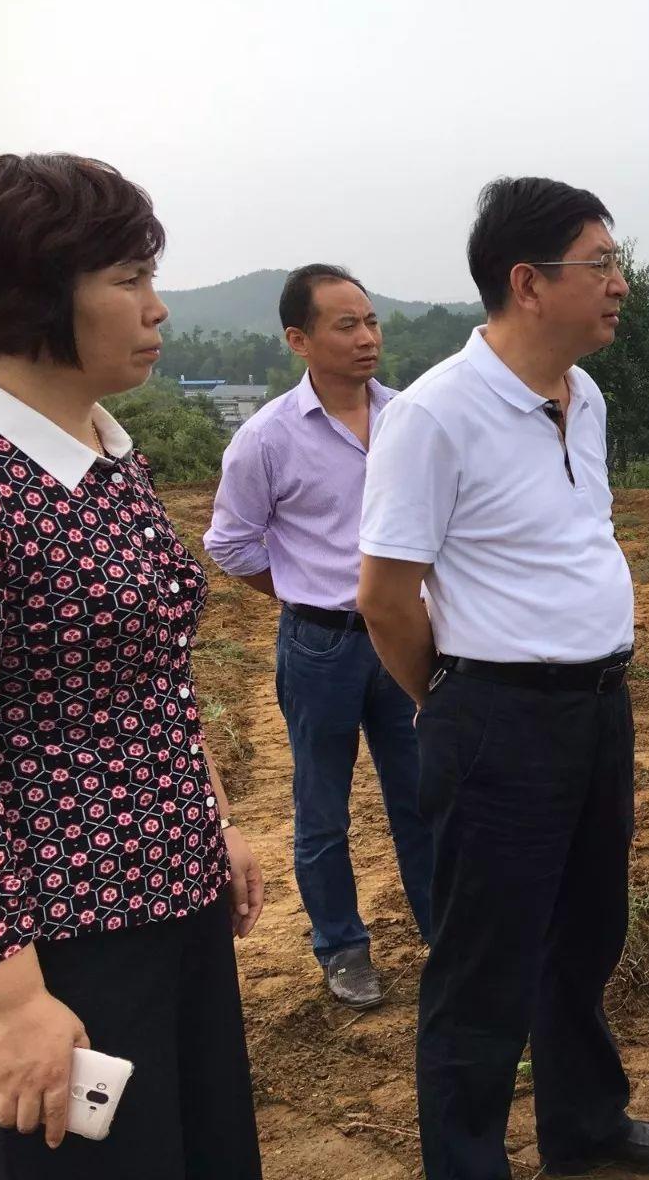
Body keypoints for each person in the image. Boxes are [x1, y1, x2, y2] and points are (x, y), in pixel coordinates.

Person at [357, 176, 649, 1180]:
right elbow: (385, 597)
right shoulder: (435, 414)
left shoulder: (583, 397)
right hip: (497, 721)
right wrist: (452, 701)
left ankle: (583, 1125)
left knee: (586, 934)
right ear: (528, 282)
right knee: (483, 967)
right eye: (601, 264)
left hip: (597, 709)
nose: (620, 284)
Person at [0, 153, 263, 1177]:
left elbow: (151, 676)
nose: (158, 307)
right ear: (34, 293)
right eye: (129, 278)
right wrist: (9, 998)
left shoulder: (103, 449)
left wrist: (210, 818)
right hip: (62, 936)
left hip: (172, 896)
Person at [204, 264, 432, 1009]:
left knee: (424, 796)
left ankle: (447, 932)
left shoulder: (408, 420)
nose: (367, 337)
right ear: (299, 339)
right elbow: (230, 542)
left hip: (406, 637)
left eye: (371, 321)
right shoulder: (267, 438)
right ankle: (341, 947)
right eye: (346, 325)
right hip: (321, 645)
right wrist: (299, 590)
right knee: (322, 806)